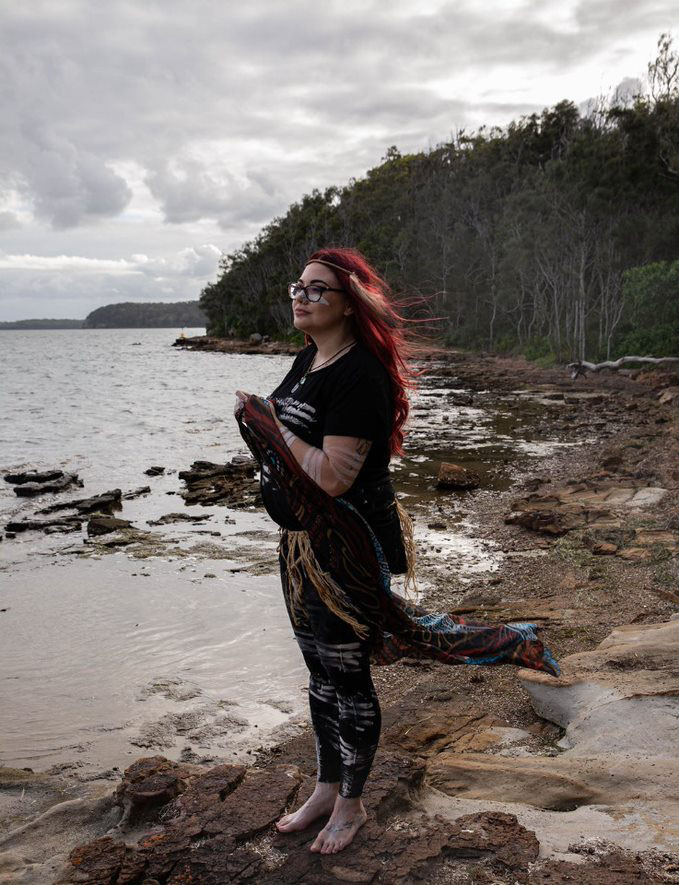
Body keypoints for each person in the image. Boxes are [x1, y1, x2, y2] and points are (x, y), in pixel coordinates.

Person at [233, 247, 559, 856]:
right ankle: (327, 787)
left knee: (349, 676)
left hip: (343, 551)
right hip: (301, 547)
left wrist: (274, 430)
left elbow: (332, 476)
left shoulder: (361, 375)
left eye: (315, 290)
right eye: (296, 287)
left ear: (349, 305)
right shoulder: (311, 357)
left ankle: (352, 805)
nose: (300, 298)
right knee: (319, 675)